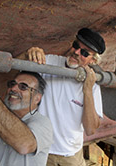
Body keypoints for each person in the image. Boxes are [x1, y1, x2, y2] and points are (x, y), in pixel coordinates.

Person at [23, 28, 105, 166]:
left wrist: (87, 91)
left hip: (71, 155)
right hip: (42, 151)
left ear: (93, 61)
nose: (77, 52)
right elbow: (16, 66)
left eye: (85, 53)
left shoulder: (93, 86)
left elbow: (90, 129)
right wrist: (28, 54)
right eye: (76, 45)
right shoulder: (49, 62)